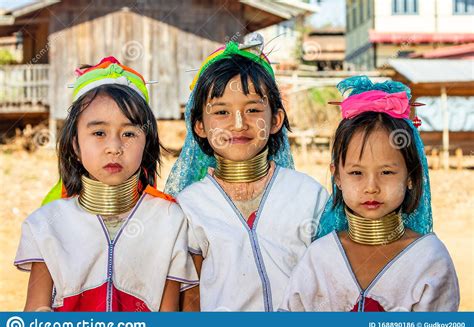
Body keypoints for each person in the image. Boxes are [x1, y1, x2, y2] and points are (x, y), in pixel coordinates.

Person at [14, 56, 198, 312]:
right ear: (75, 145)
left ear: (147, 145)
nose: (114, 148)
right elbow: (34, 317)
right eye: (99, 133)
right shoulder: (45, 224)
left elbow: (168, 320)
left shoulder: (169, 220)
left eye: (129, 133)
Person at [165, 38, 329, 311]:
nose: (239, 123)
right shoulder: (190, 206)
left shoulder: (309, 196)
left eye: (253, 110)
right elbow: (190, 297)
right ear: (200, 126)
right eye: (221, 112)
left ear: (276, 119)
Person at [279, 76, 460, 312]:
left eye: (386, 172)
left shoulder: (429, 259)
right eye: (356, 172)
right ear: (337, 177)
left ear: (411, 178)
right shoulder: (319, 257)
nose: (371, 187)